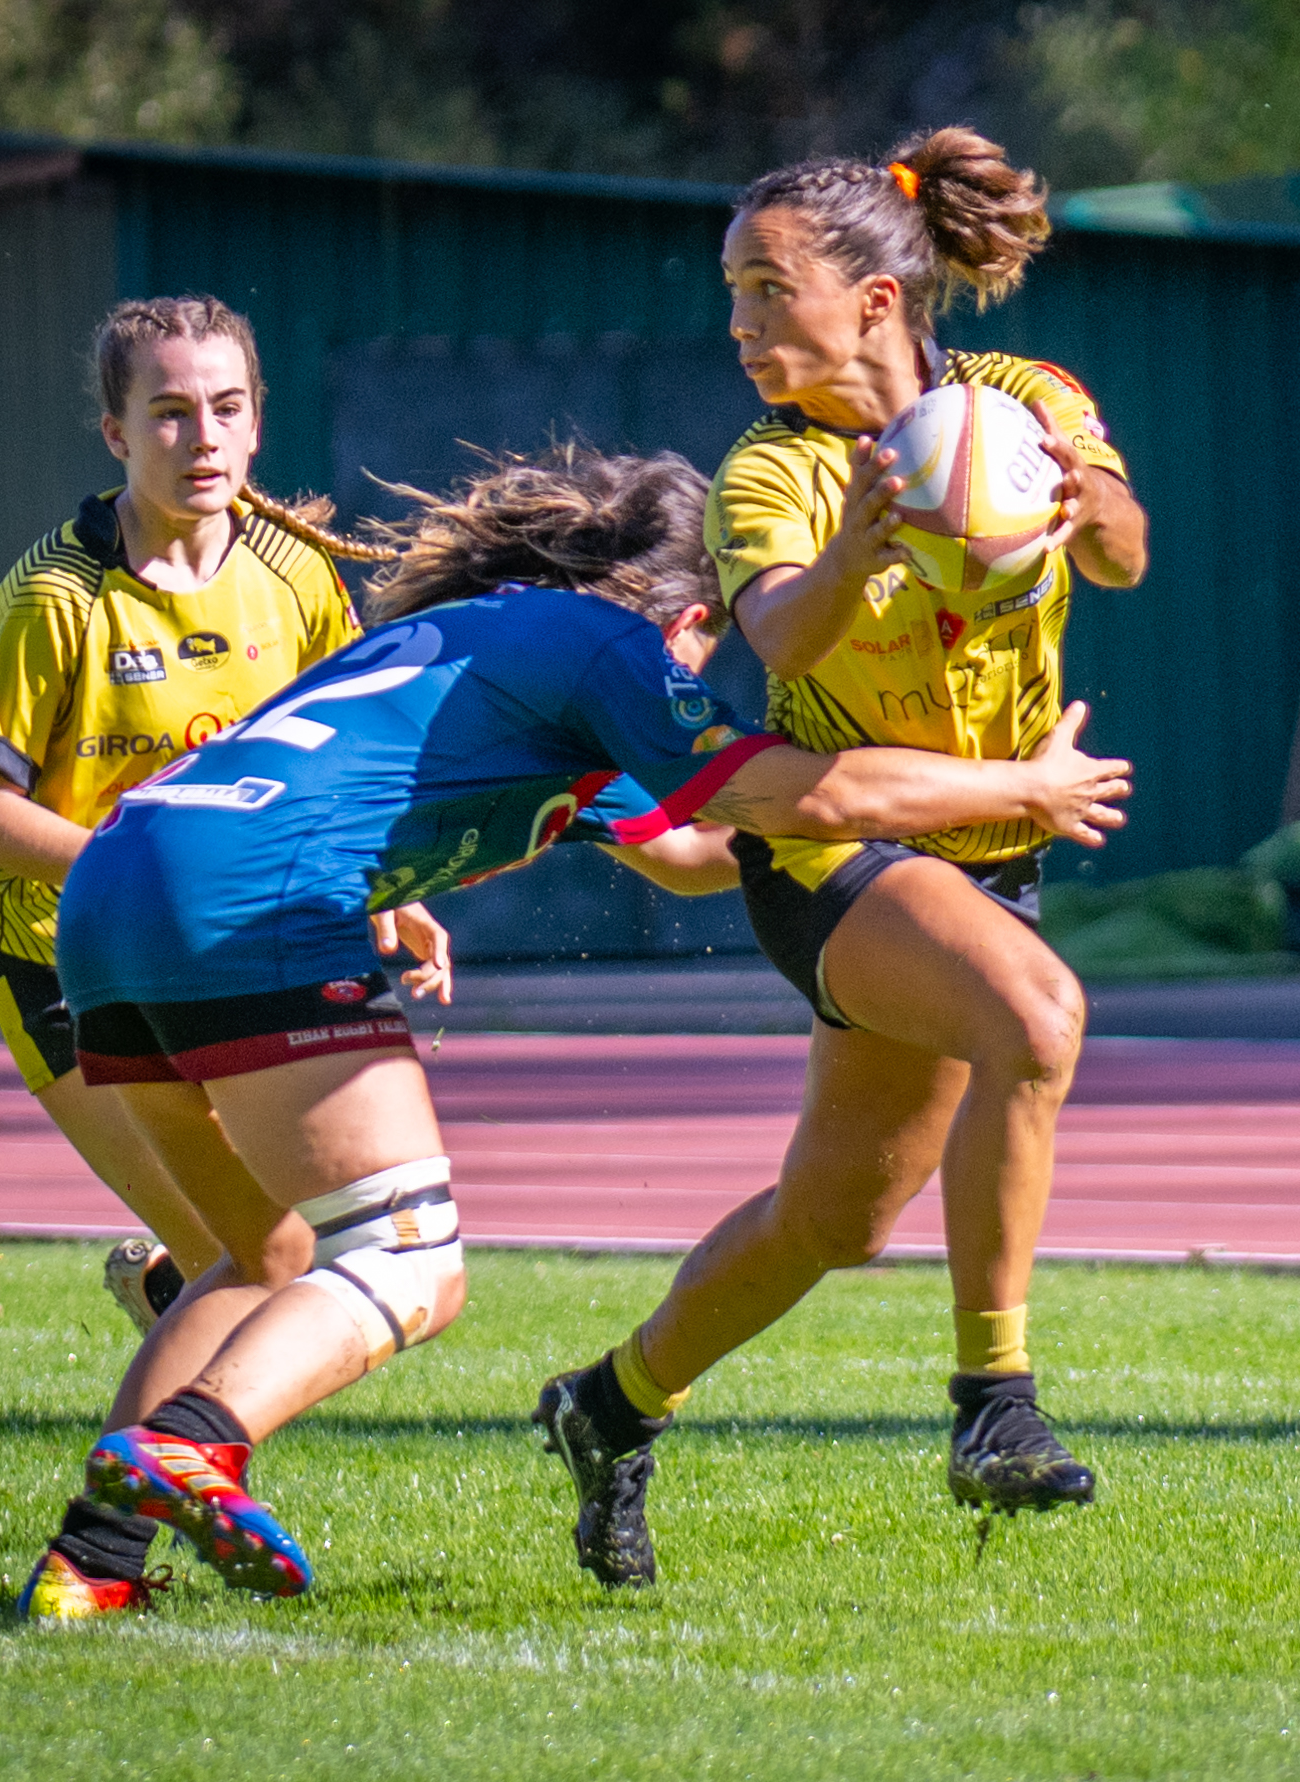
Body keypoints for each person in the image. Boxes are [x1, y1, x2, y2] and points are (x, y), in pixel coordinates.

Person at [14, 447, 1131, 1616]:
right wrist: (1022, 791)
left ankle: (90, 1566)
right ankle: (198, 1439)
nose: (700, 676)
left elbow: (697, 854)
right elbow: (803, 796)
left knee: (260, 1258)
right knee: (406, 1257)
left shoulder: (487, 643)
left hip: (110, 891)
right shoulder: (607, 651)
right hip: (248, 902)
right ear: (688, 621)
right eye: (710, 650)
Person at [534, 125, 1151, 1587]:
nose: (741, 324)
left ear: (876, 299)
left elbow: (1124, 554)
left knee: (838, 1217)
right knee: (1037, 1016)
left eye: (768, 290)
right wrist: (859, 548)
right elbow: (782, 638)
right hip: (831, 852)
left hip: (984, 853)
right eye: (733, 293)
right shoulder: (773, 469)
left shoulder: (1027, 400)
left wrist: (1089, 499)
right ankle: (994, 1403)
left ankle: (608, 1404)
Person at [0, 296, 388, 1334]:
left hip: (228, 956)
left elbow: (346, 768)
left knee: (312, 1251)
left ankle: (168, 1318)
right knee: (263, 1259)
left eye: (227, 408)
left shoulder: (298, 576)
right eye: (171, 413)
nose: (204, 438)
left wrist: (389, 891)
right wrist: (142, 867)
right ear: (117, 434)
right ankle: (165, 1414)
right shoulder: (54, 597)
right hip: (69, 970)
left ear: (258, 422)